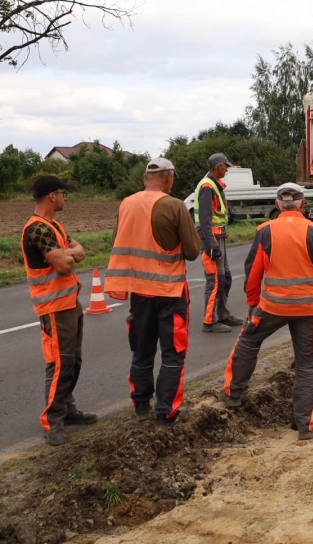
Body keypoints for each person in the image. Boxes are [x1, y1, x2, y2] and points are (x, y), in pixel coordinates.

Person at [219, 182, 313, 441]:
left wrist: (251, 302)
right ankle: (306, 425)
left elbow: (253, 272)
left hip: (271, 306)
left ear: (277, 205)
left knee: (249, 342)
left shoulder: (265, 231)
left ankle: (232, 394)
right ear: (302, 204)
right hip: (310, 310)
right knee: (307, 365)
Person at [105, 158, 201, 429]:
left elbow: (117, 241)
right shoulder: (174, 205)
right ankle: (166, 412)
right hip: (170, 292)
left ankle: (141, 404)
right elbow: (193, 251)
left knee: (142, 352)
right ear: (168, 178)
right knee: (173, 354)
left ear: (146, 177)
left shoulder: (126, 204)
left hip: (139, 293)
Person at [21, 176, 97, 446]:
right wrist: (68, 252)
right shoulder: (37, 230)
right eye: (64, 193)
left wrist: (67, 251)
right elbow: (65, 264)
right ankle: (52, 421)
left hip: (69, 304)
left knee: (73, 362)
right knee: (59, 364)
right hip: (53, 308)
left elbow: (81, 252)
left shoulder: (55, 227)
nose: (66, 198)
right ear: (51, 196)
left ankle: (67, 409)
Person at [195, 152, 243, 333]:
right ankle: (210, 321)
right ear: (218, 166)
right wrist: (212, 245)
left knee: (225, 278)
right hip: (211, 240)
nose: (227, 169)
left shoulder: (214, 185)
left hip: (218, 237)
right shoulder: (208, 186)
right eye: (226, 166)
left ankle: (222, 313)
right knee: (215, 280)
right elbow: (205, 220)